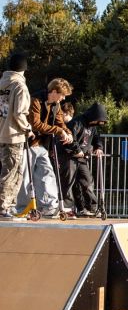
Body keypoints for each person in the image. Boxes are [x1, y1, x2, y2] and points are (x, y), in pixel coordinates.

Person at [16, 78, 74, 218]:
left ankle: (49, 206)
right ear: (54, 92)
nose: (64, 98)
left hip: (42, 145)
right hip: (28, 144)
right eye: (62, 94)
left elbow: (60, 122)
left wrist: (68, 133)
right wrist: (59, 131)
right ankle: (22, 208)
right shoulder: (35, 100)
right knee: (25, 177)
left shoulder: (56, 105)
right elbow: (35, 124)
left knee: (47, 173)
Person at [0, 52, 32, 219]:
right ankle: (4, 206)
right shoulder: (19, 86)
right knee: (13, 172)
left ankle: (5, 205)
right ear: (24, 69)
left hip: (1, 133)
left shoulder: (2, 83)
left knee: (5, 170)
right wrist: (27, 127)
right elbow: (19, 112)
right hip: (13, 135)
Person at [61, 101, 107, 216]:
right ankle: (66, 208)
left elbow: (97, 138)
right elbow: (71, 137)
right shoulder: (76, 122)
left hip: (81, 158)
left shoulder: (93, 127)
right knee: (68, 181)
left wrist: (99, 147)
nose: (97, 124)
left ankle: (91, 207)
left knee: (88, 181)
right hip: (69, 156)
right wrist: (77, 150)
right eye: (97, 121)